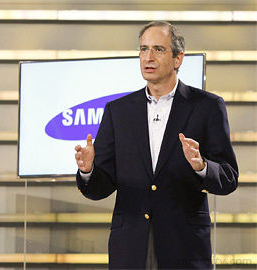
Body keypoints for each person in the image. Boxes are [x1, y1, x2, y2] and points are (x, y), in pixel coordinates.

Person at [74, 21, 238, 269]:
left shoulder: (207, 106)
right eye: (143, 49)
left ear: (178, 58)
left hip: (184, 244)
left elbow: (229, 177)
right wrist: (88, 171)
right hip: (130, 244)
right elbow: (100, 188)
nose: (148, 57)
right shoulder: (117, 111)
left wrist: (201, 166)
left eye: (158, 49)